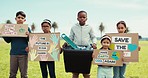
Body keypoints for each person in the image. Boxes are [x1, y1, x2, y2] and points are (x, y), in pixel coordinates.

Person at [63, 10, 97, 78]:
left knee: (86, 73)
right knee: (75, 72)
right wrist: (66, 43)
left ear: (86, 18)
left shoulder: (89, 27)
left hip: (86, 51)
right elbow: (71, 37)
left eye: (84, 17)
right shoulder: (73, 27)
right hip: (75, 50)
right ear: (77, 18)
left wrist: (94, 43)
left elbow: (93, 37)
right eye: (80, 17)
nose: (82, 18)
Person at [3, 11, 31, 78]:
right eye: (18, 17)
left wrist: (28, 35)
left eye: (22, 18)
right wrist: (4, 34)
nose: (20, 19)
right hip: (13, 54)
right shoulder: (11, 29)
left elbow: (31, 40)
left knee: (24, 75)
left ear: (24, 20)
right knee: (12, 74)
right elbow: (8, 41)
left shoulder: (27, 28)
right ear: (15, 19)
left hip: (23, 54)